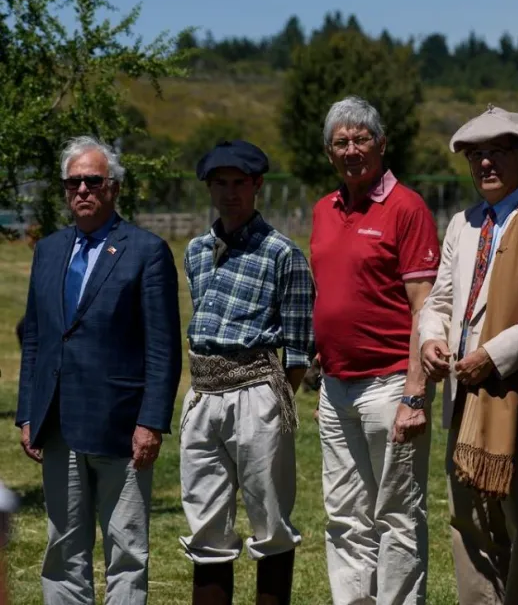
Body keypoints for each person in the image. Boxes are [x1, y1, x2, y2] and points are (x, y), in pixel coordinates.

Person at [16, 136, 182, 605]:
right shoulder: (48, 251)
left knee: (126, 550)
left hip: (121, 426)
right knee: (63, 548)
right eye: (74, 182)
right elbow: (36, 339)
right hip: (58, 424)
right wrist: (29, 411)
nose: (83, 190)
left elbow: (163, 346)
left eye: (93, 180)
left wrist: (151, 421)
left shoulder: (146, 251)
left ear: (114, 187)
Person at [419, 105, 518, 605]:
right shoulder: (463, 223)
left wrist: (492, 357)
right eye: (476, 155)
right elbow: (438, 300)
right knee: (467, 519)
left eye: (497, 152)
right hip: (464, 399)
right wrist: (431, 340)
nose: (485, 164)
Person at [310, 96, 441, 604]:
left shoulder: (406, 208)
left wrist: (415, 392)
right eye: (340, 142)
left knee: (397, 515)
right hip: (337, 389)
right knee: (345, 517)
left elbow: (423, 308)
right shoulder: (325, 209)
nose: (351, 150)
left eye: (360, 139)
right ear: (329, 152)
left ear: (381, 145)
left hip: (390, 386)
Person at [180, 140, 315, 605]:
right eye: (221, 183)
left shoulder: (283, 254)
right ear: (209, 187)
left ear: (257, 185)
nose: (230, 193)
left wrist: (270, 397)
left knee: (270, 520)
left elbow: (298, 347)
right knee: (205, 519)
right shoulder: (197, 251)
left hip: (257, 390)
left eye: (240, 183)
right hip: (202, 392)